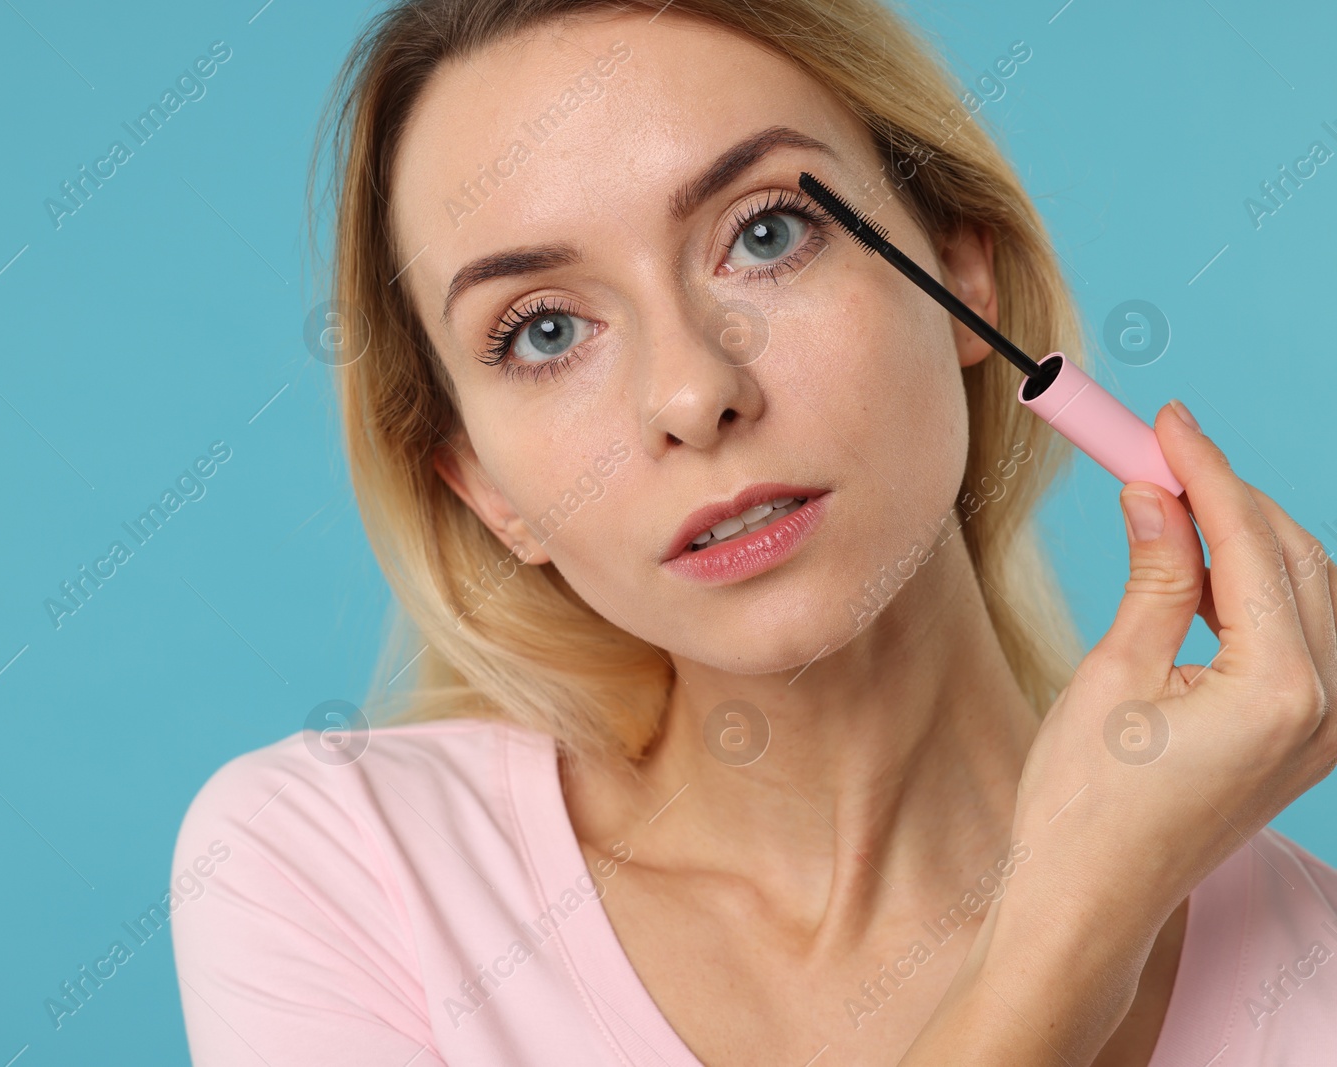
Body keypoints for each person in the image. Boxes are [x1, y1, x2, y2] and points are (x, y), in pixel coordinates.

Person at [171, 1, 1337, 1063]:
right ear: (483, 487)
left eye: (768, 233)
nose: (691, 395)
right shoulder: (333, 872)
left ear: (963, 275)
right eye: (541, 331)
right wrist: (1071, 932)